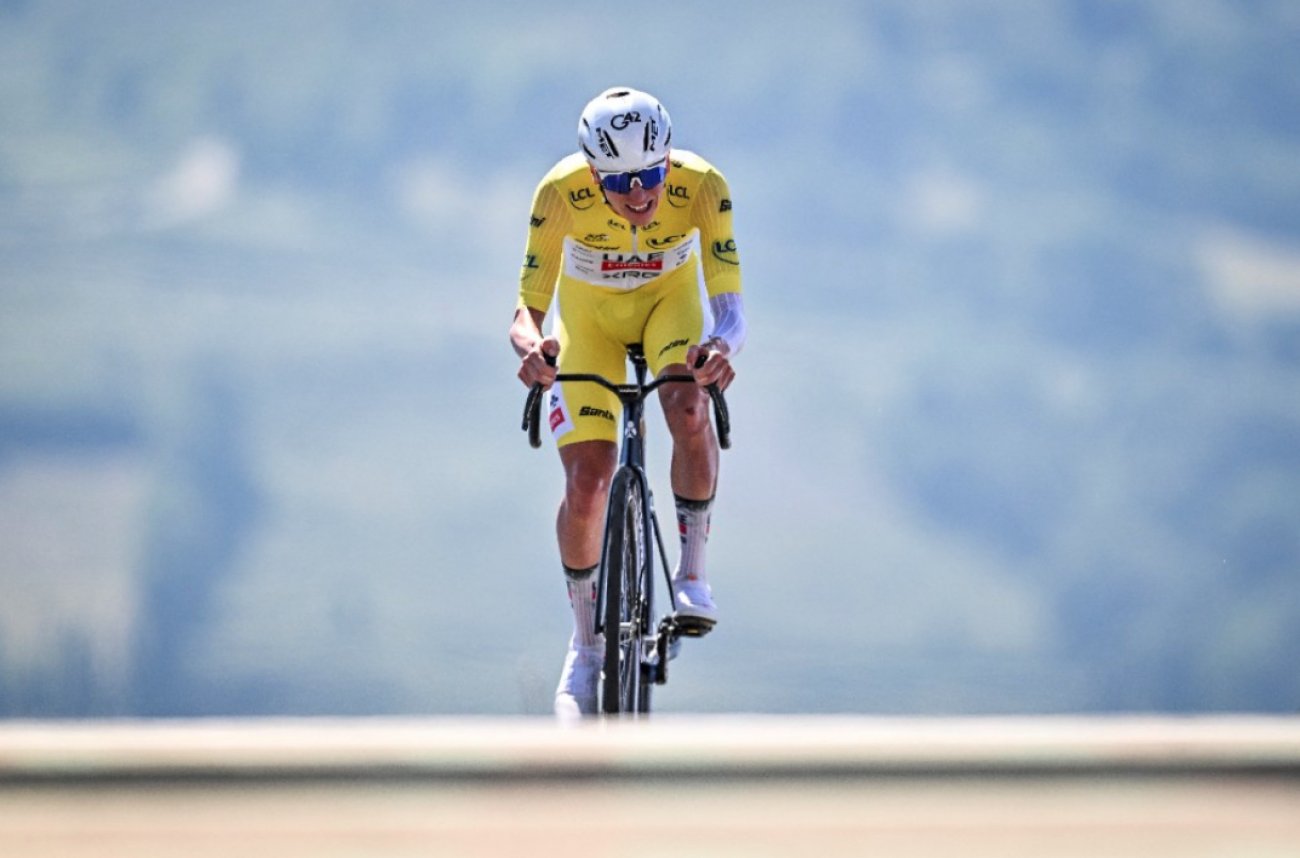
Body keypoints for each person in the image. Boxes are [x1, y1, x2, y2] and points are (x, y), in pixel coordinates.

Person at [510, 86, 747, 719]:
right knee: (589, 482)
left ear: (668, 160)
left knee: (689, 407)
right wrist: (532, 351)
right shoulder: (559, 192)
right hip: (589, 325)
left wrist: (722, 348)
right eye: (619, 182)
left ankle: (691, 574)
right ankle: (586, 649)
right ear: (593, 174)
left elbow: (730, 308)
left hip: (670, 309)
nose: (639, 193)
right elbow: (526, 312)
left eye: (650, 174)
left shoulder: (703, 186)